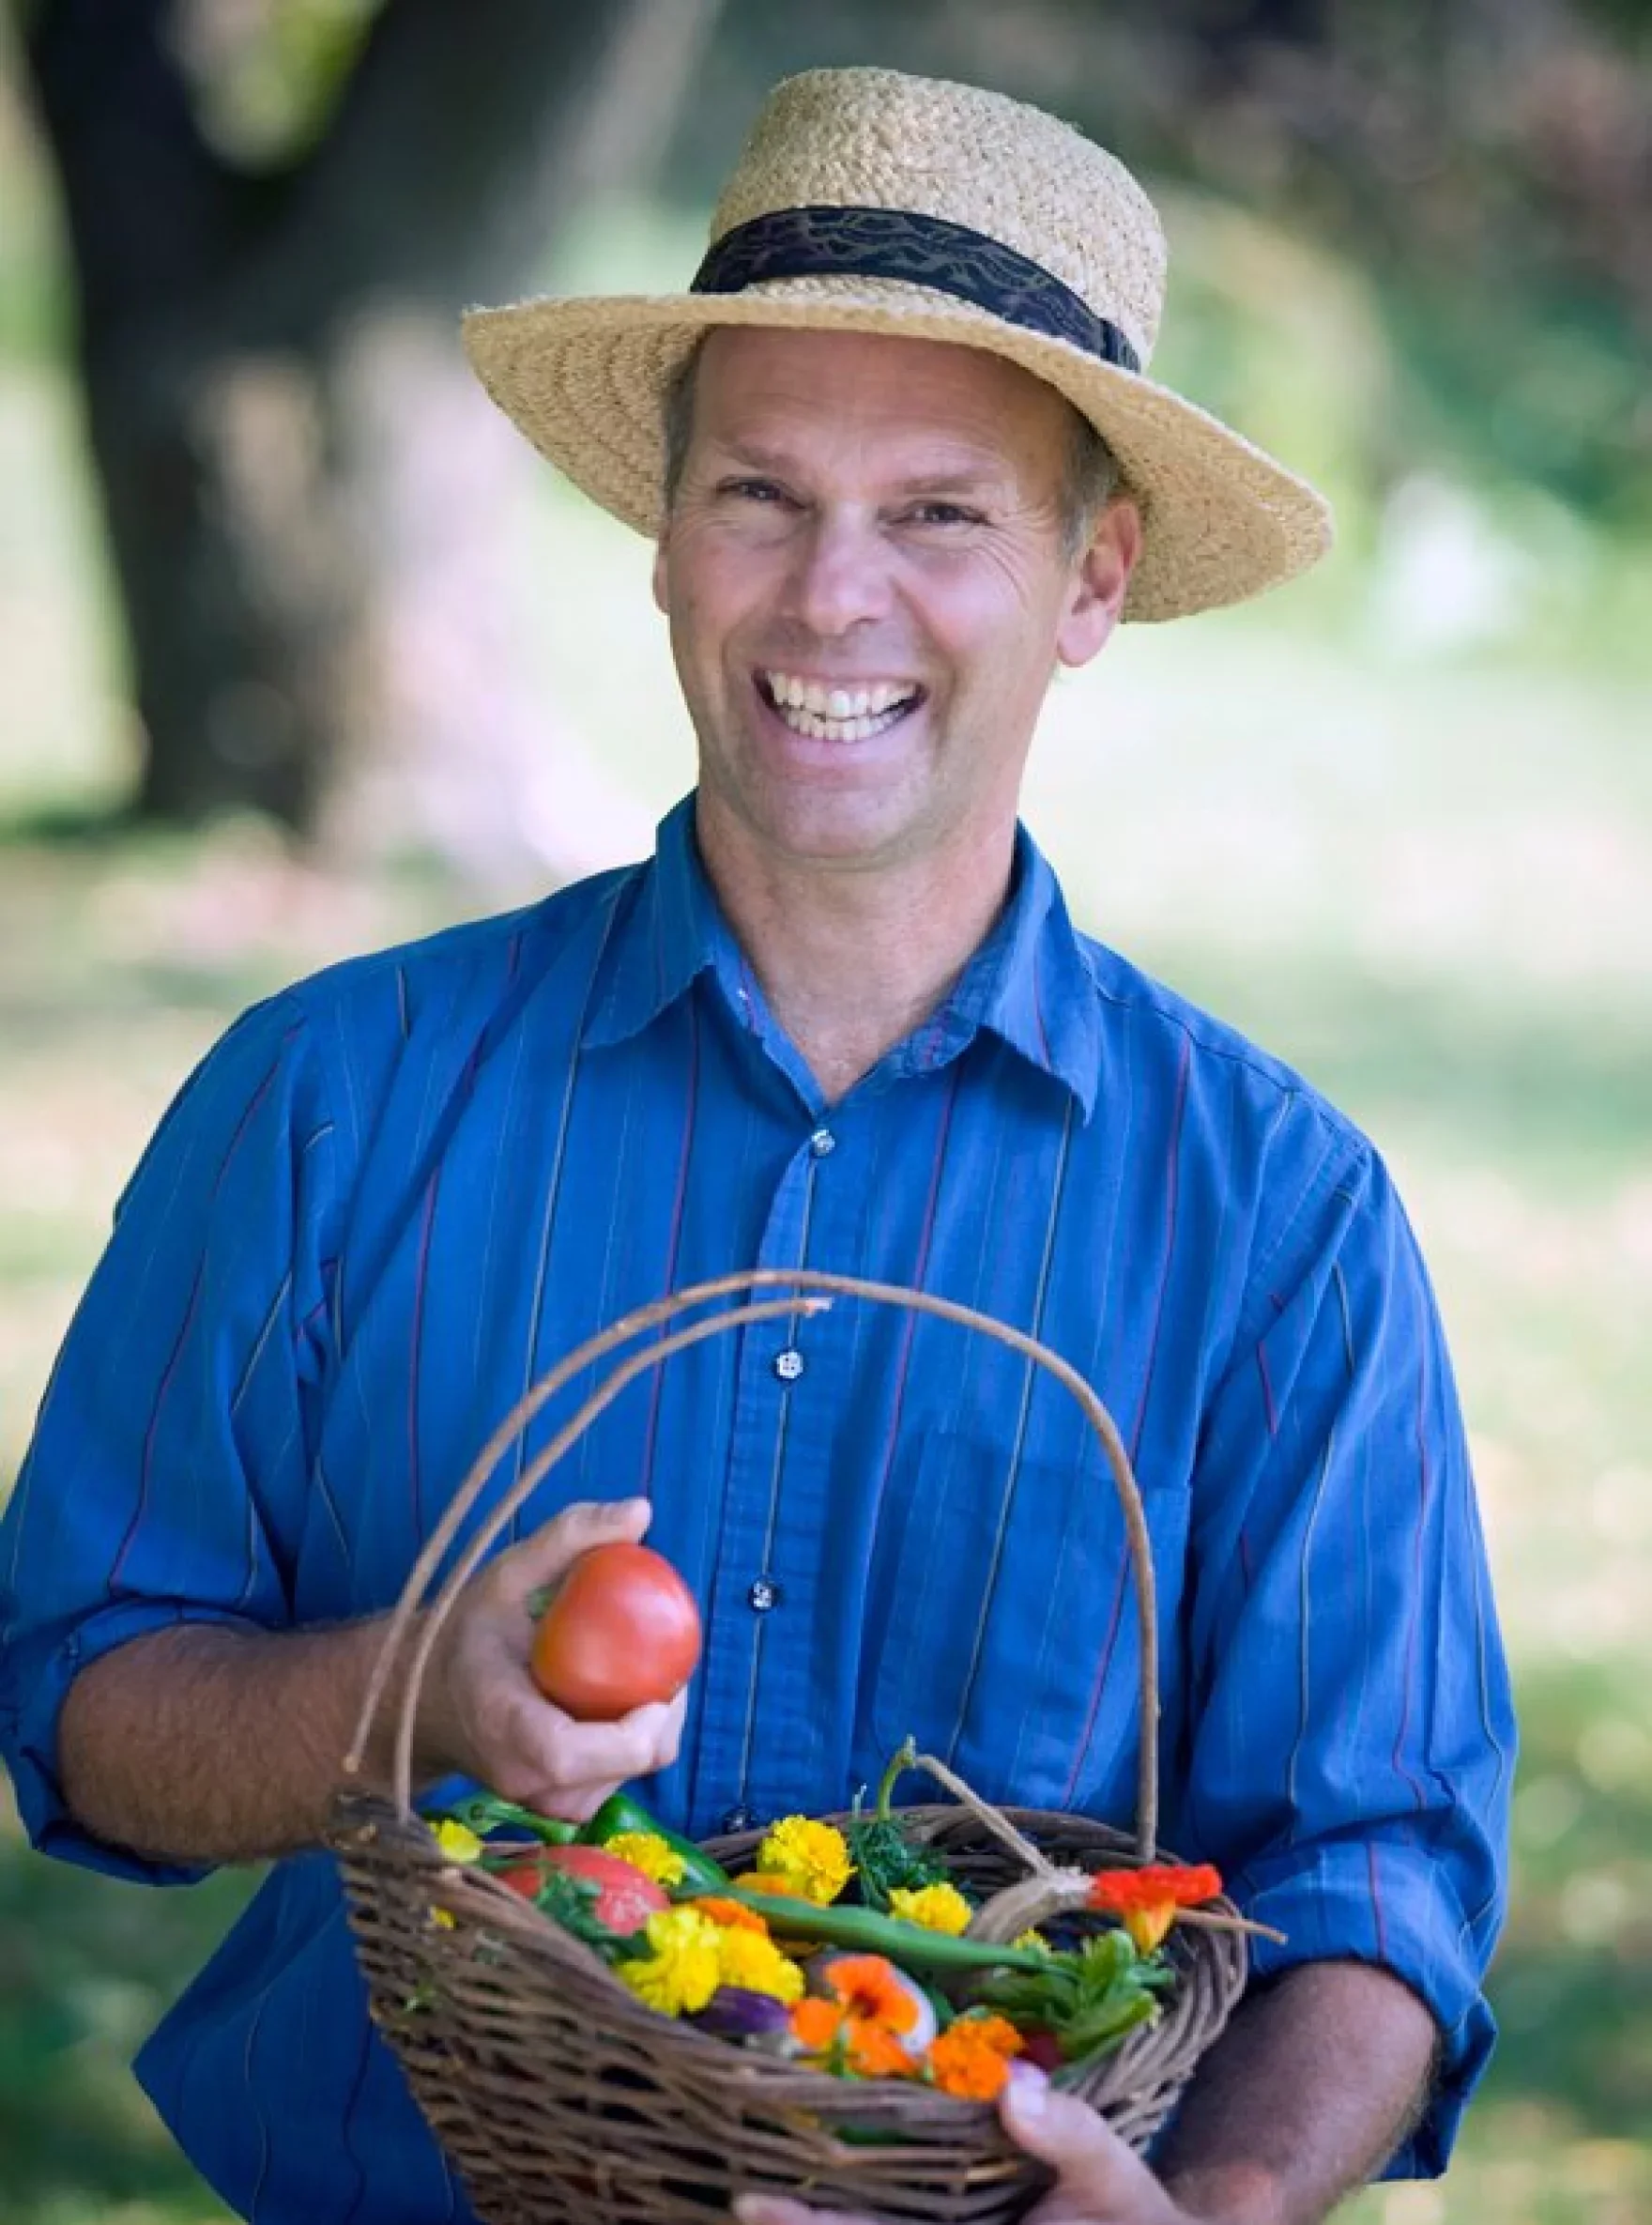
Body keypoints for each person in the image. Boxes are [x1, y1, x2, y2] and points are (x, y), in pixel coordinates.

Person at [0, 63, 1512, 2225]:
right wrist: (406, 1693)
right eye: (761, 497)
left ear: (1092, 577)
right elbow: (84, 1695)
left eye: (938, 515)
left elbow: (1378, 1867)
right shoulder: (329, 1097)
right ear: (662, 533)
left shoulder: (1279, 1220)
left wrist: (1225, 2206)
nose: (828, 601)